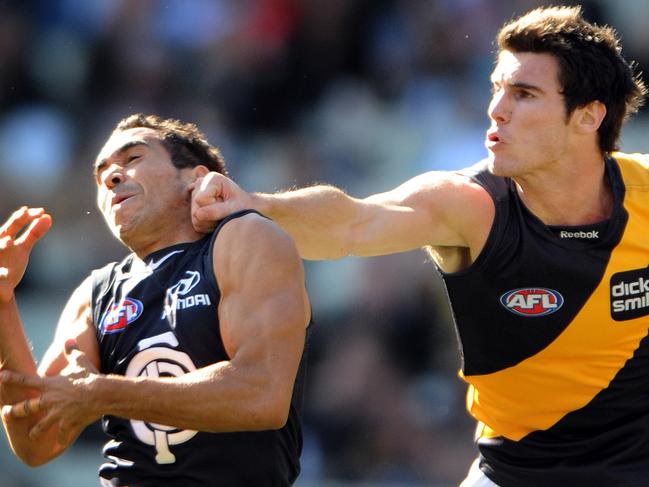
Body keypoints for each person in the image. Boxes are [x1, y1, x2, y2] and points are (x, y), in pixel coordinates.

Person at [189, 5, 649, 487]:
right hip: (514, 475)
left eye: (524, 94)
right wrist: (254, 205)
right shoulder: (469, 206)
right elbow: (351, 222)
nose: (496, 109)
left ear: (588, 116)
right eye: (496, 88)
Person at [0, 114, 311, 486]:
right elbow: (37, 439)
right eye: (102, 176)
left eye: (132, 159)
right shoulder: (96, 292)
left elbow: (262, 394)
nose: (112, 177)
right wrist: (3, 304)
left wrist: (105, 394)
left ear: (196, 177)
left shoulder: (246, 238)